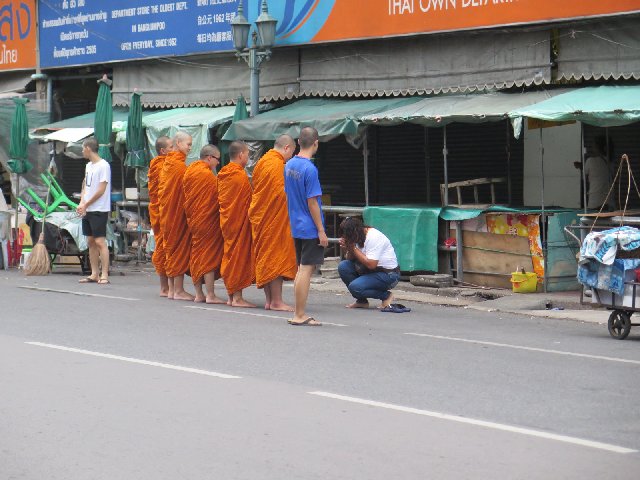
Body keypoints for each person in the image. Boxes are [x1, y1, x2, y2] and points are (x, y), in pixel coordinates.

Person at [284, 126, 327, 326]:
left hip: (296, 224)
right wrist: (321, 230)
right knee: (305, 270)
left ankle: (298, 312)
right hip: (309, 227)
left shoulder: (289, 164)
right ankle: (299, 314)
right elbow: (312, 202)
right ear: (316, 143)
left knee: (301, 269)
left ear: (298, 142)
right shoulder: (310, 169)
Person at [249, 134, 298, 311]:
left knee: (267, 256)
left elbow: (256, 187)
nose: (291, 157)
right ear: (287, 148)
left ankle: (270, 300)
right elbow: (279, 194)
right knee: (275, 256)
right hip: (273, 217)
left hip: (262, 216)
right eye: (291, 153)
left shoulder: (262, 162)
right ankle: (276, 301)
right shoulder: (276, 164)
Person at [183, 144, 225, 304]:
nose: (218, 163)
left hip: (193, 220)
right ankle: (211, 295)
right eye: (217, 160)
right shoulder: (206, 176)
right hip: (207, 220)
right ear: (209, 158)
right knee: (207, 256)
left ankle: (199, 294)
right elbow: (217, 198)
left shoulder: (190, 171)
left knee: (197, 254)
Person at [218, 141, 256, 308]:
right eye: (248, 155)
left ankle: (231, 296)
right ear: (241, 155)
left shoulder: (223, 173)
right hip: (239, 222)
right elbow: (248, 201)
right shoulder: (239, 176)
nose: (248, 158)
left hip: (227, 222)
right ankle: (238, 298)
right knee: (238, 256)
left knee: (230, 255)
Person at [158, 131, 194, 301]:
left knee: (171, 249)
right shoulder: (179, 166)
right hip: (176, 214)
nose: (190, 148)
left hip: (166, 214)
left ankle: (172, 289)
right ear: (178, 143)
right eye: (188, 144)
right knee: (177, 248)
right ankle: (178, 290)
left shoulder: (168, 164)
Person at [338, 217, 399, 309]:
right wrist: (347, 248)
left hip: (388, 274)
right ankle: (362, 301)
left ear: (355, 232)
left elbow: (371, 264)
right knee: (343, 266)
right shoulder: (357, 237)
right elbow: (349, 258)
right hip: (369, 271)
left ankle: (386, 296)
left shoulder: (373, 237)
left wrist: (353, 247)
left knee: (355, 287)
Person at [77, 137, 111, 285]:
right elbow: (85, 184)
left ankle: (104, 274)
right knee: (90, 241)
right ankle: (94, 273)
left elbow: (101, 190)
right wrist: (82, 202)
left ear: (88, 148)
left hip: (99, 208)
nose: (82, 151)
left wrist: (87, 203)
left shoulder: (103, 166)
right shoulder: (88, 166)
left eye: (82, 149)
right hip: (88, 207)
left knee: (100, 241)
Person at [147, 136, 173, 297]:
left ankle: (168, 287)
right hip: (161, 210)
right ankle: (165, 287)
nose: (173, 149)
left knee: (165, 247)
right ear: (162, 151)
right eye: (171, 147)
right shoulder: (160, 165)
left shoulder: (167, 165)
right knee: (164, 248)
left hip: (163, 209)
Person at [575, 135, 614, 210]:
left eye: (594, 146)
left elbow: (585, 173)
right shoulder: (611, 162)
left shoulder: (590, 161)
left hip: (595, 200)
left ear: (597, 148)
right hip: (609, 200)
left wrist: (580, 166)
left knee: (594, 220)